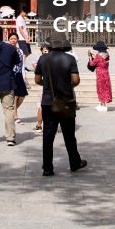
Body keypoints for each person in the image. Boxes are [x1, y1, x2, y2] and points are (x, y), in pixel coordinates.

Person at [35, 35, 85, 176]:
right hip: (65, 101)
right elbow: (75, 80)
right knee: (69, 135)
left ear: (49, 46)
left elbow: (37, 79)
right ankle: (75, 162)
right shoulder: (70, 59)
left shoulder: (43, 58)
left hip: (47, 101)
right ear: (64, 46)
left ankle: (47, 167)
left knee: (48, 135)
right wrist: (65, 86)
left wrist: (47, 86)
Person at [8, 33, 28, 123]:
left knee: (22, 95)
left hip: (19, 74)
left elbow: (22, 65)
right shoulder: (6, 50)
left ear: (17, 40)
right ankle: (15, 115)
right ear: (9, 40)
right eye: (11, 39)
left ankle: (12, 111)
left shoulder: (20, 51)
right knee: (15, 96)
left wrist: (25, 78)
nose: (13, 40)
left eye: (15, 39)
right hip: (11, 74)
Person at [87, 41, 113, 111]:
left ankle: (103, 105)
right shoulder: (107, 55)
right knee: (105, 88)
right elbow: (100, 60)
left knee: (101, 89)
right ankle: (101, 104)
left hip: (100, 74)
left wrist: (89, 57)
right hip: (106, 73)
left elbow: (92, 64)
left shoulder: (98, 56)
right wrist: (94, 55)